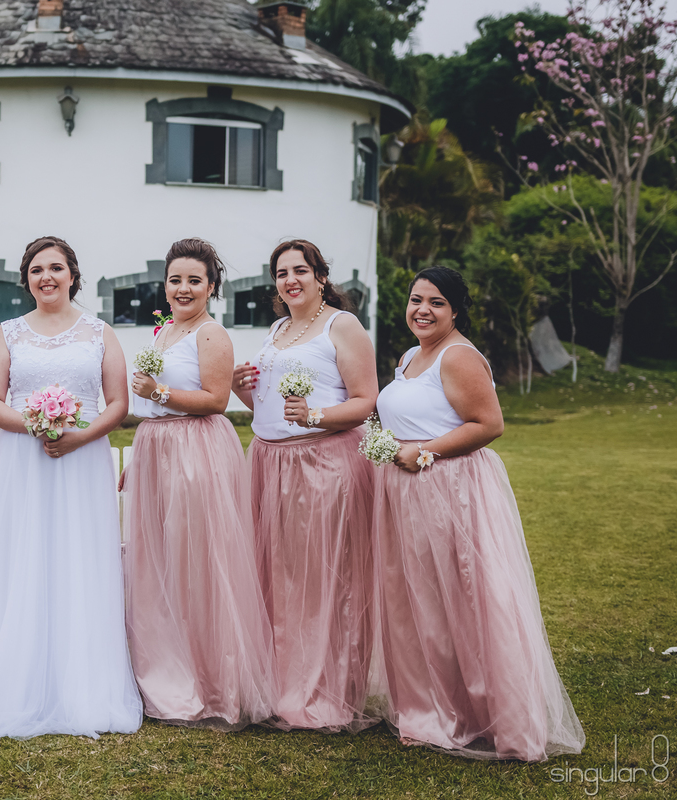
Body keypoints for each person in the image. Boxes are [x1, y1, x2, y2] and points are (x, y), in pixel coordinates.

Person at [370, 266, 585, 761]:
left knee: (465, 598)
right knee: (417, 601)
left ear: (456, 310)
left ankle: (488, 715)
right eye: (416, 299)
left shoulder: (459, 356)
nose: (422, 310)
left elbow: (489, 424)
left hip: (449, 489)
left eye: (437, 302)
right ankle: (431, 709)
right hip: (405, 491)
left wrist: (424, 452)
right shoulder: (410, 355)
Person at [0, 235, 143, 739]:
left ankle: (83, 683)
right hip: (22, 459)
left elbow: (117, 401)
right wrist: (38, 425)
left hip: (84, 456)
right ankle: (16, 678)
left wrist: (79, 436)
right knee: (21, 554)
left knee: (80, 556)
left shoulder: (99, 332)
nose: (45, 277)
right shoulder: (8, 332)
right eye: (35, 270)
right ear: (26, 280)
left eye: (55, 268)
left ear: (73, 274)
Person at [121, 238, 275, 729]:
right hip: (156, 448)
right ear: (164, 285)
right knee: (159, 559)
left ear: (211, 287)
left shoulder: (211, 334)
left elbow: (214, 399)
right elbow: (152, 401)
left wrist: (157, 392)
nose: (183, 288)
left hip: (195, 450)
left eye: (194, 280)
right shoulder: (165, 331)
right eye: (175, 280)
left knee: (197, 561)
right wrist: (141, 450)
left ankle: (210, 680)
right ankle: (166, 667)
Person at [231, 239, 378, 732]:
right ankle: (284, 679)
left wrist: (315, 415)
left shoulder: (343, 325)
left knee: (325, 579)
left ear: (320, 276)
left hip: (324, 463)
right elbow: (272, 408)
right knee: (281, 577)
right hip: (271, 464)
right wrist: (241, 391)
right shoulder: (278, 329)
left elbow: (365, 401)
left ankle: (327, 688)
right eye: (281, 272)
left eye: (300, 270)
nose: (290, 279)